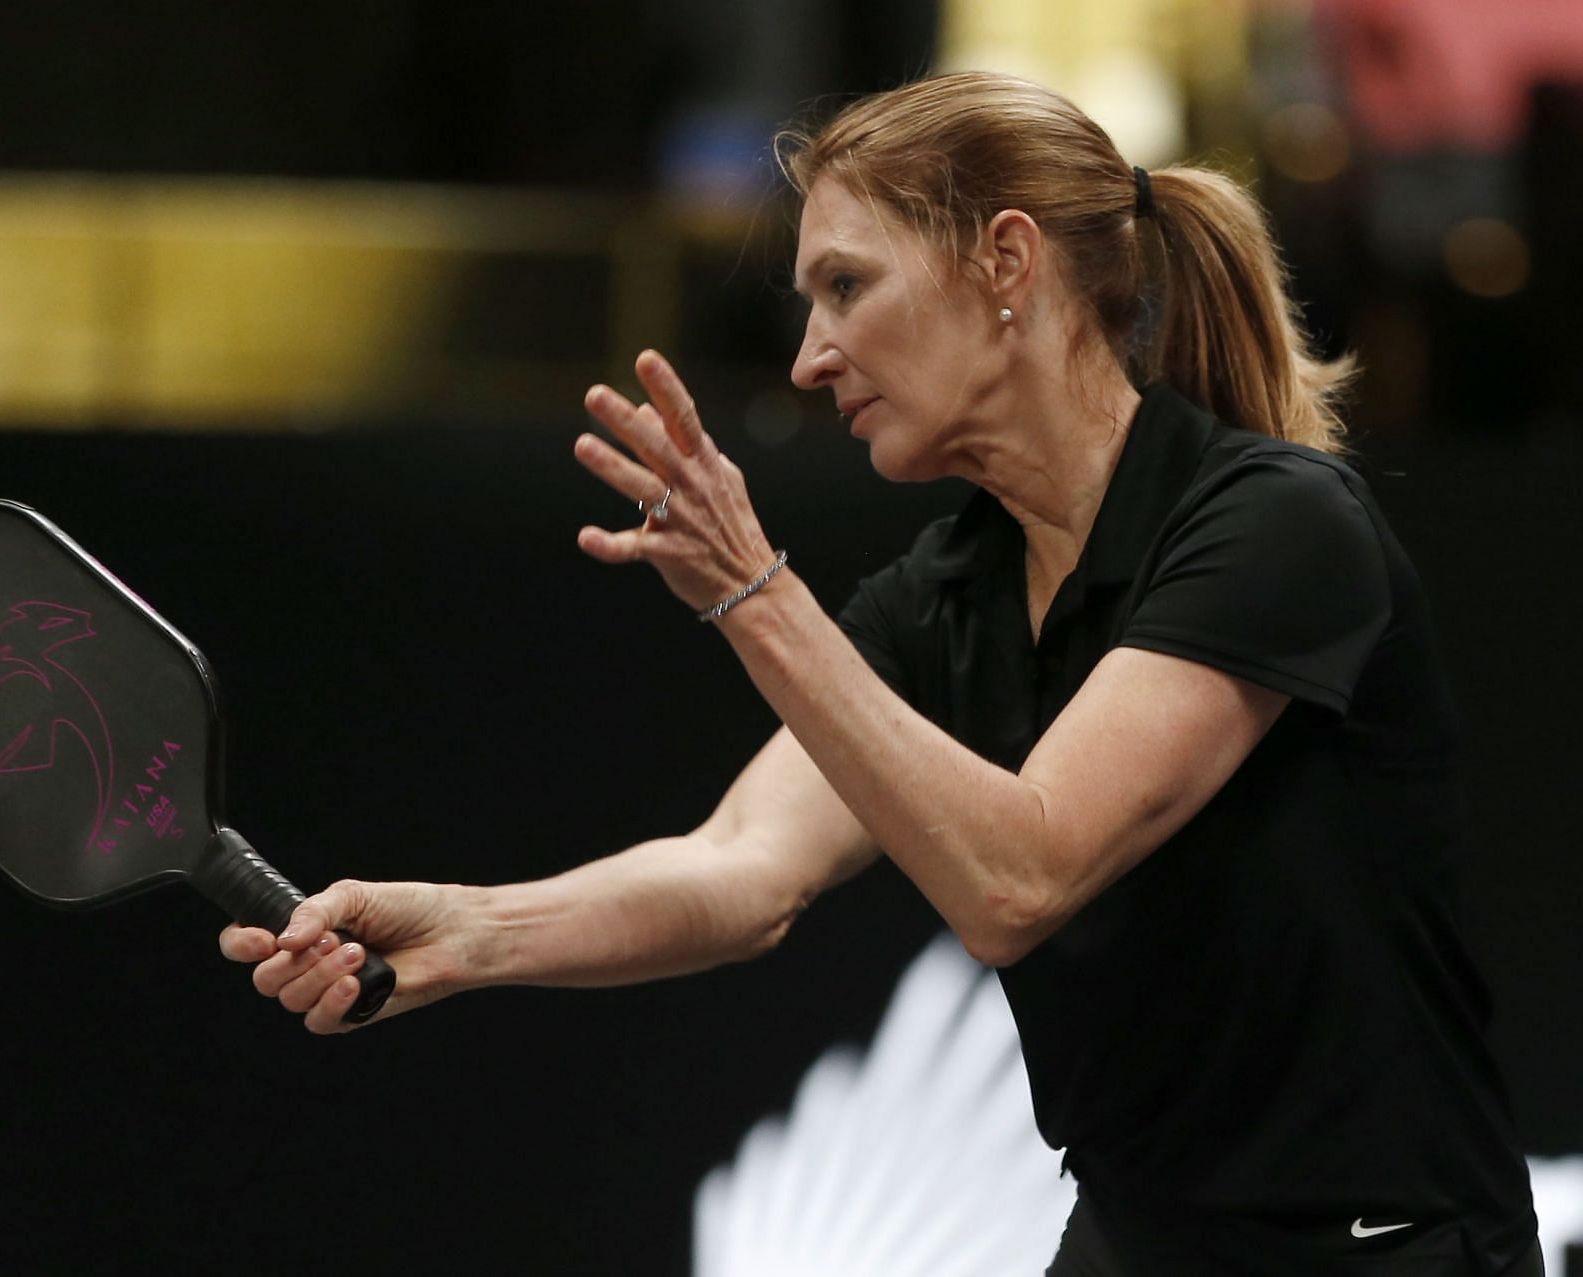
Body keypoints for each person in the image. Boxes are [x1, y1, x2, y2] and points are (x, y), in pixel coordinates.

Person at [220, 72, 1541, 1276]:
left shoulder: (1274, 524)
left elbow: (1020, 877)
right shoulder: (945, 597)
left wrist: (755, 592)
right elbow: (743, 869)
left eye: (847, 286)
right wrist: (473, 930)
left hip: (1382, 1247)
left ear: (1005, 262)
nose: (807, 356)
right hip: (1139, 1239)